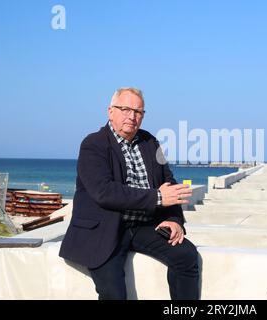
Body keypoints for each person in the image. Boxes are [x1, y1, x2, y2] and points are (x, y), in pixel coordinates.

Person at [59, 87, 199, 300]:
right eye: (125, 109)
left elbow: (168, 183)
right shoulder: (93, 144)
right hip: (104, 230)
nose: (132, 116)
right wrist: (157, 198)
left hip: (143, 226)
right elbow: (104, 192)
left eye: (138, 112)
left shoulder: (150, 142)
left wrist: (174, 219)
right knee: (114, 293)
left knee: (186, 256)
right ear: (110, 111)